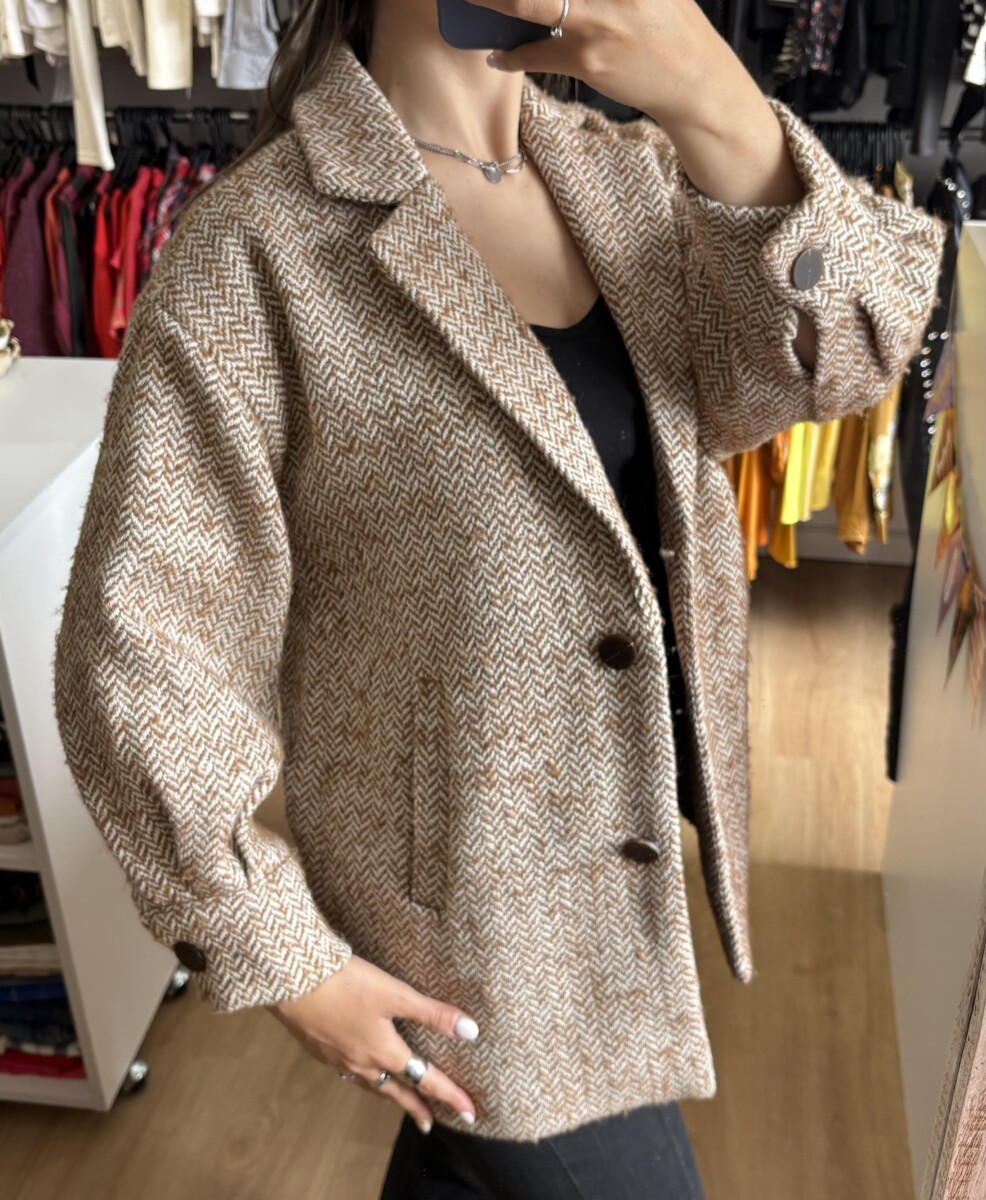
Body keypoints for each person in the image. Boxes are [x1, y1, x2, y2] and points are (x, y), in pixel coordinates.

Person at [52, 0, 949, 1196]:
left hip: (621, 856)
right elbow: (143, 649)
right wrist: (279, 951)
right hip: (469, 915)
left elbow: (850, 354)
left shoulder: (629, 176)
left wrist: (716, 97)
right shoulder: (259, 249)